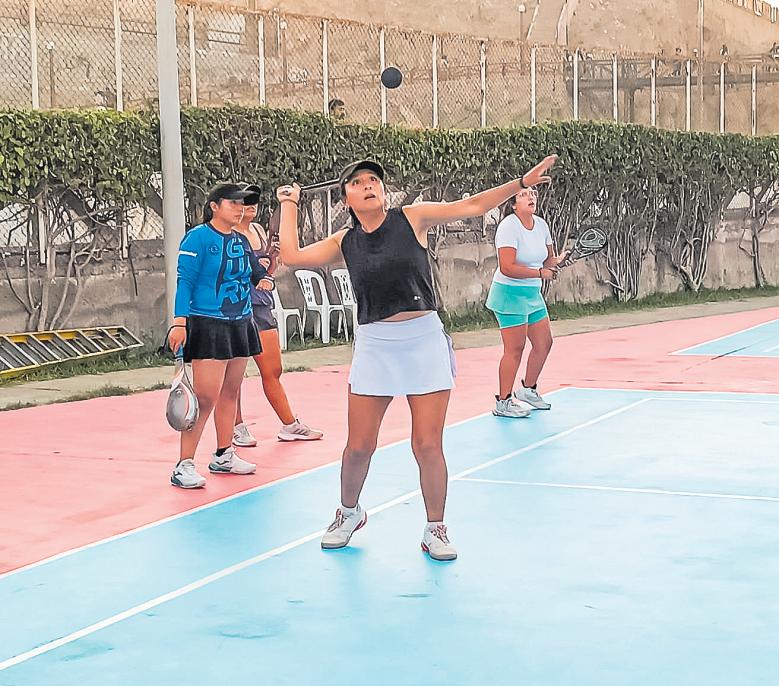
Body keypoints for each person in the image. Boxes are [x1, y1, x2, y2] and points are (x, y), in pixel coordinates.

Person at [276, 155, 558, 561]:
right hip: (375, 345)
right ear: (345, 198)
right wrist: (289, 203)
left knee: (427, 444)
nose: (369, 185)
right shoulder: (344, 242)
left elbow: (472, 205)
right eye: (358, 182)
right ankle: (349, 512)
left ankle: (435, 528)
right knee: (359, 447)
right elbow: (291, 255)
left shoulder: (413, 217)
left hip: (423, 341)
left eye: (374, 179)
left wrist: (520, 183)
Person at [167, 183, 275, 489]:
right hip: (208, 324)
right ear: (214, 206)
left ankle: (224, 454)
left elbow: (256, 272)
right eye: (233, 203)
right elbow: (185, 281)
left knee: (231, 392)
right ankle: (184, 464)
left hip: (241, 323)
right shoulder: (197, 238)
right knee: (205, 398)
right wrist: (179, 323)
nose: (240, 208)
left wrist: (266, 278)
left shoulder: (241, 240)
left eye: (243, 204)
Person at [230, 186, 323, 447]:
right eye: (243, 201)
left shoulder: (259, 231)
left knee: (273, 369)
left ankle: (290, 425)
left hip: (261, 306)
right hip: (236, 308)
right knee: (234, 375)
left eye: (254, 201)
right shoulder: (227, 235)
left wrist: (272, 260)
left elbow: (267, 273)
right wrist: (250, 270)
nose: (250, 205)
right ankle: (236, 426)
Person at [486, 187, 565, 419]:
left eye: (532, 193)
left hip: (532, 294)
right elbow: (507, 267)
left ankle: (528, 390)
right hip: (509, 294)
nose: (530, 197)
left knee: (544, 343)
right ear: (513, 204)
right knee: (515, 349)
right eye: (523, 194)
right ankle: (503, 402)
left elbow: (548, 260)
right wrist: (541, 273)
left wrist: (559, 261)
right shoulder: (508, 227)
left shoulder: (541, 225)